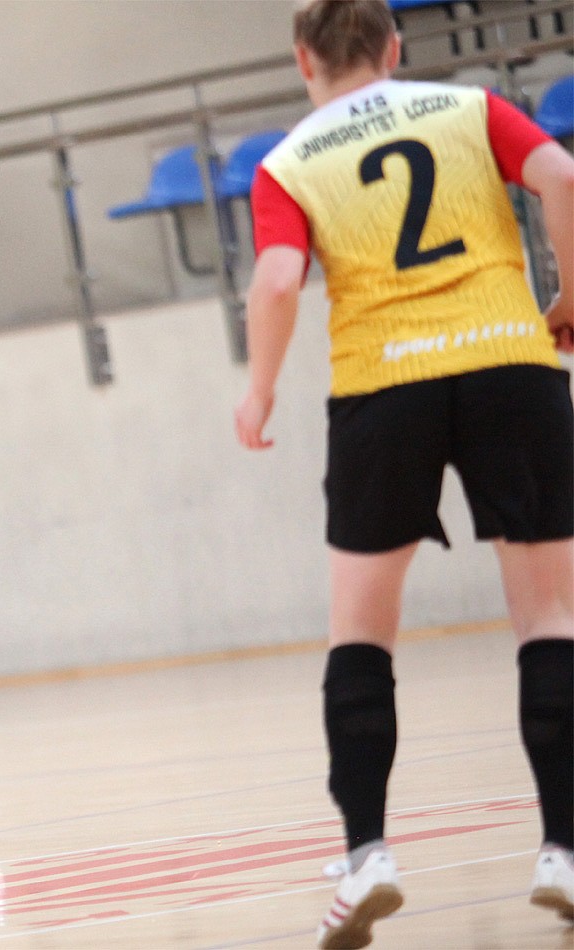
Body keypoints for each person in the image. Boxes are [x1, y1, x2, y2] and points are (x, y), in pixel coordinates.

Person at [234, 2, 574, 946]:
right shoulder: (470, 109)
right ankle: (564, 850)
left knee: (361, 634)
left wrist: (258, 391)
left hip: (383, 388)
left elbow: (275, 281)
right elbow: (561, 174)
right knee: (549, 619)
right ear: (394, 47)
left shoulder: (289, 161)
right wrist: (568, 294)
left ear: (303, 59)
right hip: (510, 366)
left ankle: (368, 858)